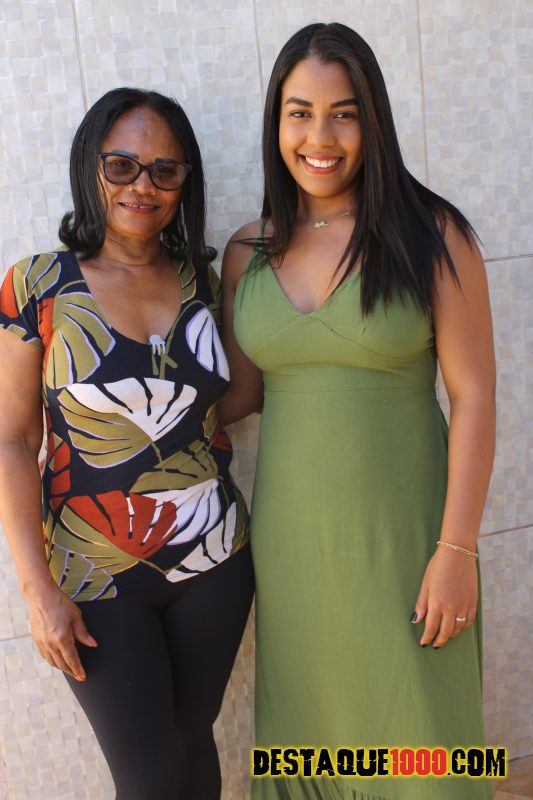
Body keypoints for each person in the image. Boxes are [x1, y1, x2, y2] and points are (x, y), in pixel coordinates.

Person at [219, 22, 495, 800]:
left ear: (373, 121)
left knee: (423, 752)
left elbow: (474, 395)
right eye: (299, 113)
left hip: (408, 544)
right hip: (293, 553)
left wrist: (456, 550)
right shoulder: (247, 252)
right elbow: (240, 396)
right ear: (276, 122)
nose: (320, 138)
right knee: (312, 742)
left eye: (343, 114)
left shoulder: (431, 235)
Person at [0, 88, 253, 800]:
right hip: (92, 576)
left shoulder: (204, 282)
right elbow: (11, 439)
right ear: (91, 167)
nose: (143, 185)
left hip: (215, 559)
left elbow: (233, 398)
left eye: (164, 170)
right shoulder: (37, 285)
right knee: (147, 780)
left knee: (191, 741)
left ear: (184, 183)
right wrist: (36, 591)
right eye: (122, 165)